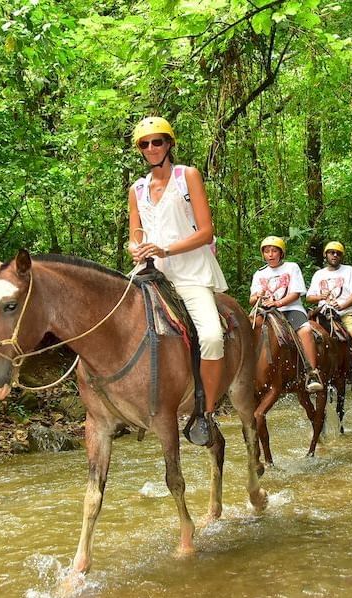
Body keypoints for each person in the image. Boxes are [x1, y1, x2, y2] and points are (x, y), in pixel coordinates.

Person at [127, 116, 226, 445]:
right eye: (145, 143)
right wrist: (135, 248)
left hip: (189, 272)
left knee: (211, 336)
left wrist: (166, 248)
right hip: (149, 272)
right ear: (140, 150)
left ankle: (207, 413)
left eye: (158, 141)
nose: (152, 148)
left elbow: (206, 231)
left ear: (169, 144)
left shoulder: (188, 176)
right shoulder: (137, 189)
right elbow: (134, 235)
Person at [249, 236, 323, 392]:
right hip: (265, 311)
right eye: (267, 251)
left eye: (274, 251)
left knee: (305, 330)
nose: (270, 254)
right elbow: (252, 299)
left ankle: (312, 372)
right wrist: (258, 296)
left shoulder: (291, 267)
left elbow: (296, 293)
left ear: (281, 253)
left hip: (290, 309)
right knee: (248, 328)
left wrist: (277, 303)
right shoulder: (259, 273)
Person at [305, 241, 352, 394]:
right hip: (323, 313)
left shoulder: (349, 271)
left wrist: (343, 305)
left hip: (347, 313)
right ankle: (313, 373)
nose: (334, 255)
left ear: (341, 256)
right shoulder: (319, 274)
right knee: (308, 336)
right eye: (331, 252)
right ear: (325, 255)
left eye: (338, 253)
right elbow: (309, 297)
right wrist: (321, 296)